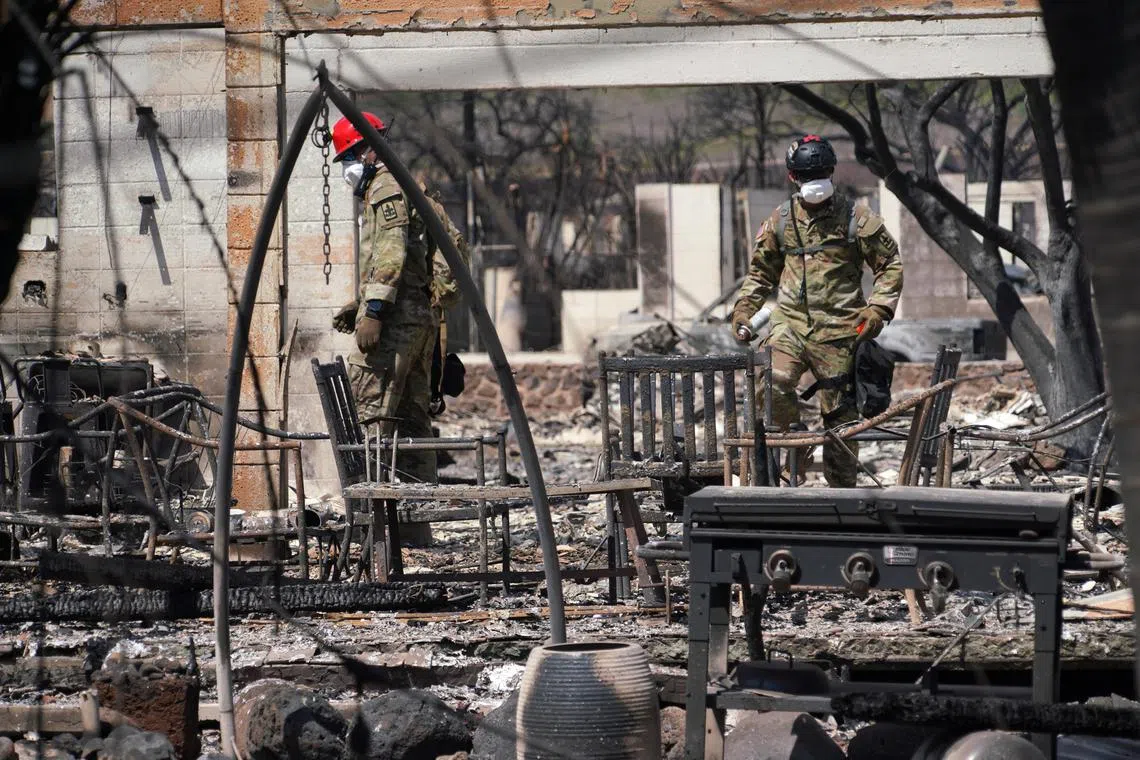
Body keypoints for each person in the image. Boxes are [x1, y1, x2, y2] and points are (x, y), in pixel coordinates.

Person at [731, 135, 903, 487]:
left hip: (842, 330)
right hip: (790, 325)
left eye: (821, 173)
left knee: (841, 422)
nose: (814, 182)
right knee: (772, 382)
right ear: (793, 177)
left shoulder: (858, 219)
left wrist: (878, 309)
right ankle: (797, 444)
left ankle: (842, 499)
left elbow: (890, 266)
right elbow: (761, 273)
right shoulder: (780, 221)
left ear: (832, 172)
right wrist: (744, 310)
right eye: (807, 175)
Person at [328, 112, 466, 488]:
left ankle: (373, 528)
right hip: (418, 321)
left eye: (350, 158)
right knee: (411, 422)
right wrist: (360, 305)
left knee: (370, 418)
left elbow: (391, 253)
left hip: (396, 325)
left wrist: (374, 310)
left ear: (368, 150)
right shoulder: (408, 183)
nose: (347, 169)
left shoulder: (386, 187)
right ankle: (417, 523)